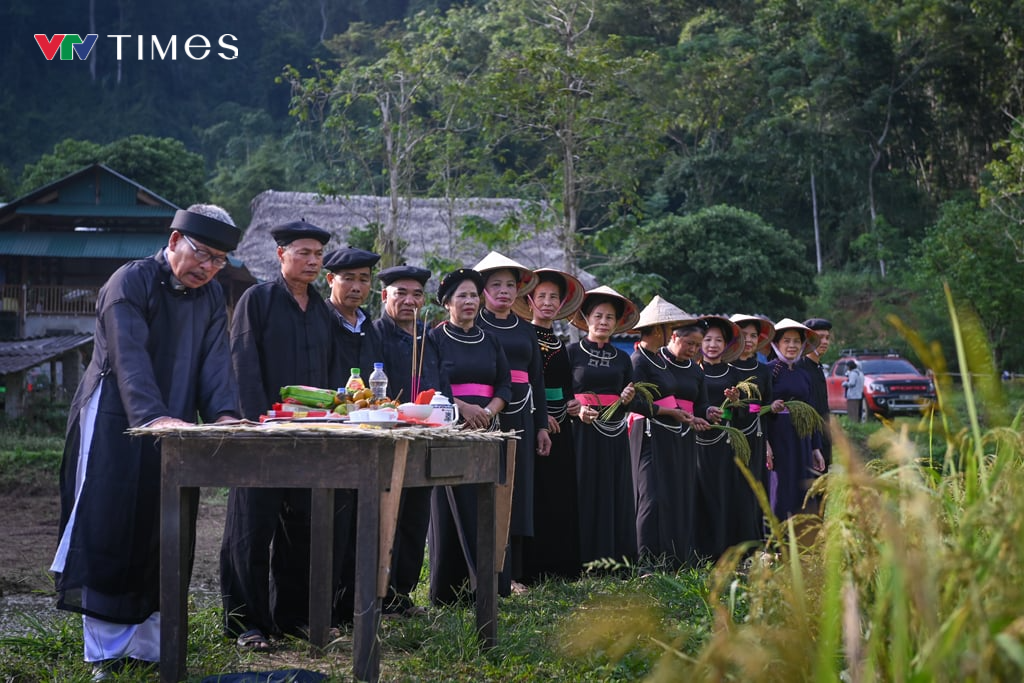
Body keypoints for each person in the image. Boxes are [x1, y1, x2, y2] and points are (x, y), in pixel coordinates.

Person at [51, 205, 242, 680]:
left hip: (173, 424)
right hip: (116, 417)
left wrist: (223, 414)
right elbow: (129, 355)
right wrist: (153, 415)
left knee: (166, 529)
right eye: (203, 254)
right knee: (111, 527)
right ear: (174, 240)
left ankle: (151, 648)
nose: (209, 267)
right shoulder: (129, 282)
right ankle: (104, 655)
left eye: (219, 260)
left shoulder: (211, 293)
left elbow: (216, 360)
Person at [220, 220, 344, 650]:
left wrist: (330, 419)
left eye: (318, 255)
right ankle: (246, 624)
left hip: (311, 435)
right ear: (281, 254)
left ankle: (292, 618)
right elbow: (243, 363)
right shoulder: (259, 300)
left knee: (303, 528)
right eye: (303, 253)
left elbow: (331, 375)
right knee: (251, 529)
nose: (312, 261)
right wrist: (257, 424)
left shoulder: (323, 311)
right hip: (263, 434)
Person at [425, 268, 512, 605]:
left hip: (487, 430)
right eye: (461, 295)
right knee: (451, 506)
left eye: (474, 295)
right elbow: (432, 384)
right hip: (451, 428)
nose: (469, 301)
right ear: (447, 303)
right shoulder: (434, 338)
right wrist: (463, 408)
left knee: (485, 504)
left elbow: (505, 384)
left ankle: (488, 586)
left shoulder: (491, 340)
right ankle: (450, 589)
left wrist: (488, 412)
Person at [472, 251, 547, 594]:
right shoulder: (475, 324)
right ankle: (483, 568)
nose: (503, 291)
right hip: (486, 413)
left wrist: (543, 425)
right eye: (495, 285)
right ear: (482, 290)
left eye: (509, 285)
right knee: (488, 485)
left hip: (524, 413)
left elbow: (538, 379)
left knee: (519, 489)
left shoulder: (526, 330)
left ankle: (513, 572)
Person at [372, 264, 437, 617]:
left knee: (415, 517)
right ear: (385, 296)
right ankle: (377, 594)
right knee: (385, 518)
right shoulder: (374, 333)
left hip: (423, 437)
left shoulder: (429, 337)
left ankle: (402, 595)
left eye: (416, 295)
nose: (409, 301)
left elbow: (439, 382)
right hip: (385, 439)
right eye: (401, 293)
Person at [513, 267, 585, 583]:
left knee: (561, 492)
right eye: (541, 296)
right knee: (537, 494)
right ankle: (534, 567)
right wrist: (542, 416)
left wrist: (571, 403)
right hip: (537, 425)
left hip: (563, 426)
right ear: (529, 301)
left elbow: (563, 385)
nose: (547, 302)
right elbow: (527, 383)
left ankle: (562, 565)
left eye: (553, 297)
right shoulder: (524, 337)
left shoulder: (560, 340)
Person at [627, 297, 709, 570]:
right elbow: (634, 401)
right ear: (659, 330)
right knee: (650, 496)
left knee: (670, 494)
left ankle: (671, 556)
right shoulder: (639, 360)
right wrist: (667, 413)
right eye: (668, 328)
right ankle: (645, 560)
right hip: (648, 430)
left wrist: (690, 415)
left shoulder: (657, 361)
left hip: (671, 430)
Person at [567, 285, 640, 568]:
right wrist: (575, 408)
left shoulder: (623, 358)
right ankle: (581, 557)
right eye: (598, 316)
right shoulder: (572, 352)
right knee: (583, 488)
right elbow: (562, 392)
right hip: (581, 431)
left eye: (610, 318)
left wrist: (626, 398)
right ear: (586, 318)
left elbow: (629, 398)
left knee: (614, 490)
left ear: (617, 323)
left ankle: (615, 558)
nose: (603, 322)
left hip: (613, 432)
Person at [694, 315, 744, 562]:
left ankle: (724, 550)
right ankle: (700, 550)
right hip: (696, 439)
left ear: (726, 344)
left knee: (724, 492)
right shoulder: (692, 370)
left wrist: (733, 403)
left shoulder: (733, 374)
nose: (712, 345)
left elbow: (740, 412)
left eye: (718, 340)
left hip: (724, 441)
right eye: (707, 339)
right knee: (699, 492)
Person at [765, 318, 826, 522]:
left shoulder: (804, 374)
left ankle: (802, 540)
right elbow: (758, 409)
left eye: (796, 342)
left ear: (802, 345)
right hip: (777, 436)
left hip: (802, 439)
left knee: (803, 485)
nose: (792, 346)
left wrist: (815, 448)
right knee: (780, 487)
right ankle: (775, 542)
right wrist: (765, 443)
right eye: (787, 341)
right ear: (777, 343)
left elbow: (810, 413)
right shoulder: (768, 371)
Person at [728, 314, 776, 544]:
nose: (749, 340)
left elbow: (765, 406)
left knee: (754, 486)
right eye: (743, 335)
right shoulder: (725, 367)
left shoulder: (764, 370)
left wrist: (767, 443)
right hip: (729, 434)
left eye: (753, 336)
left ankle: (754, 542)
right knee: (732, 484)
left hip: (756, 434)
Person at [799, 318, 833, 468]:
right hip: (810, 442)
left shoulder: (818, 367)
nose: (824, 341)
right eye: (819, 337)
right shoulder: (800, 368)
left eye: (827, 338)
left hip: (824, 436)